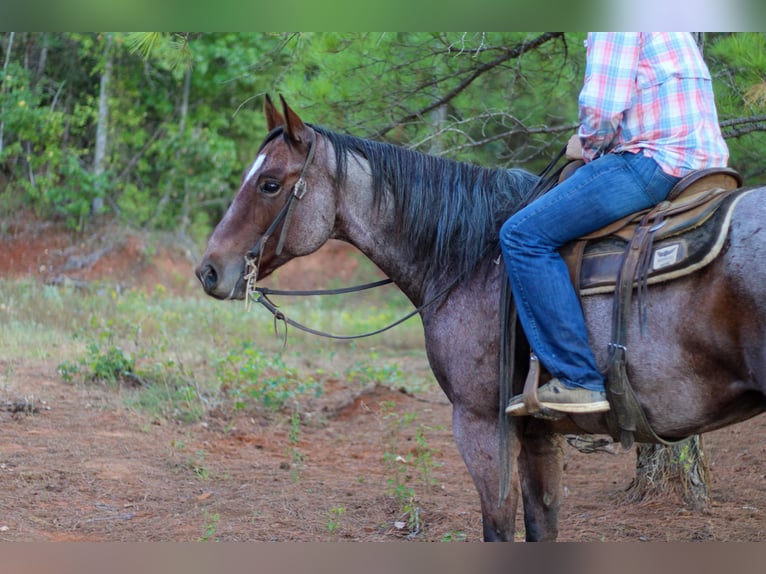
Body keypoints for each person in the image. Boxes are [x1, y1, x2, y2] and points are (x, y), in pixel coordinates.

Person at [503, 32, 729, 416]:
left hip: (655, 162)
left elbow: (603, 105)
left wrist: (586, 147)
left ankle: (578, 380)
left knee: (523, 236)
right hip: (710, 166)